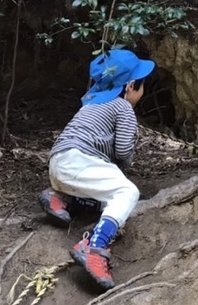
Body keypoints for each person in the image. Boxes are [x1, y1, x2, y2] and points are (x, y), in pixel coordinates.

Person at [37, 49, 156, 291]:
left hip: (59, 163)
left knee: (110, 204)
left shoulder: (90, 103)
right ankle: (94, 247)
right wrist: (124, 165)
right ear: (131, 86)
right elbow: (123, 150)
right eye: (141, 85)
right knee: (126, 194)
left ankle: (63, 199)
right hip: (81, 161)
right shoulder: (123, 108)